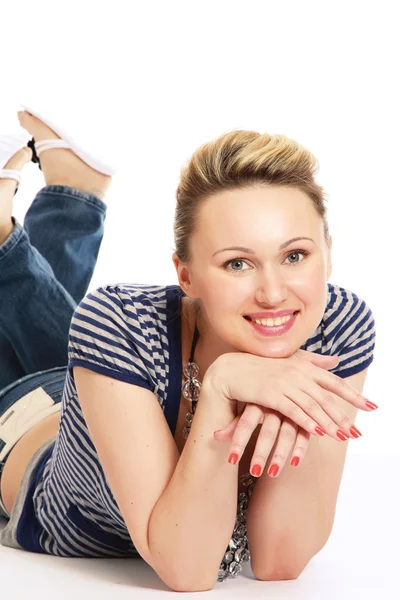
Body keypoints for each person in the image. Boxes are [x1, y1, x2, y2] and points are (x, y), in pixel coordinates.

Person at [0, 115, 377, 592]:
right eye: (237, 263)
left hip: (109, 382)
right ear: (185, 275)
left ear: (328, 251)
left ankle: (71, 196)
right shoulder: (118, 321)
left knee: (90, 343)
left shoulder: (336, 325)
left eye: (295, 256)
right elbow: (187, 570)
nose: (274, 293)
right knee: (93, 333)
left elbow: (281, 561)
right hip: (20, 423)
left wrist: (285, 392)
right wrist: (224, 382)